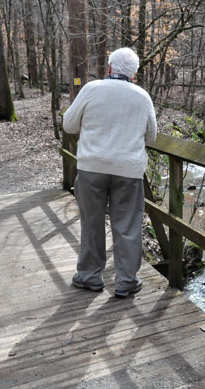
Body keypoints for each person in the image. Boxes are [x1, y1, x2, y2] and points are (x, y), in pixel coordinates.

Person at [63, 48, 157, 298]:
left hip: (92, 166)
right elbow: (152, 135)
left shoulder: (92, 89)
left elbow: (69, 124)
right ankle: (126, 280)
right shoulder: (142, 96)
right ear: (134, 74)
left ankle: (90, 276)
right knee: (127, 225)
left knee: (92, 223)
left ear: (109, 68)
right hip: (128, 169)